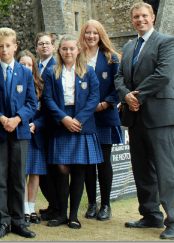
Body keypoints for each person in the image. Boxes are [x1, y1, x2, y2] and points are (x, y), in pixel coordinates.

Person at [113, 2, 174, 240]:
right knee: (142, 169)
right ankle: (150, 214)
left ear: (152, 17)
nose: (140, 19)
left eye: (144, 15)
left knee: (166, 170)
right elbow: (120, 76)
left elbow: (163, 74)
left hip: (159, 116)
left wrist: (137, 97)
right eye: (136, 16)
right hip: (135, 117)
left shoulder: (166, 42)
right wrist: (125, 95)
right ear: (132, 19)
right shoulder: (129, 45)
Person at [0, 27, 38, 239]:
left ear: (15, 47)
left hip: (20, 133)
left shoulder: (25, 73)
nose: (4, 50)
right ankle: (3, 221)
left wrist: (18, 118)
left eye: (8, 46)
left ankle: (19, 221)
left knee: (17, 178)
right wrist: (1, 118)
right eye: (1, 46)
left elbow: (32, 102)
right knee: (0, 179)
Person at [42, 35, 102, 230]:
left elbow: (94, 98)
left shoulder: (89, 71)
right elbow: (48, 99)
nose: (68, 52)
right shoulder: (52, 72)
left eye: (71, 49)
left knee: (79, 170)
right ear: (59, 51)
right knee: (61, 170)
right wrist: (64, 119)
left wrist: (78, 119)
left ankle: (74, 216)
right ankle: (61, 213)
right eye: (64, 49)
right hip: (61, 121)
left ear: (78, 51)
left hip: (82, 121)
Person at [78, 20, 122, 222]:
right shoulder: (78, 57)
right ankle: (92, 203)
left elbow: (118, 86)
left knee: (104, 162)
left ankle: (106, 205)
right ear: (83, 35)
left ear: (101, 35)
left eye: (95, 33)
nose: (91, 36)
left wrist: (105, 104)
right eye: (88, 33)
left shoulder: (111, 58)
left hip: (105, 115)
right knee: (88, 163)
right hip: (86, 118)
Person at [15, 51, 46, 226]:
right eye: (23, 64)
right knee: (23, 173)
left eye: (29, 64)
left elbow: (46, 112)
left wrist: (37, 125)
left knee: (34, 173)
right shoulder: (14, 83)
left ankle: (32, 207)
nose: (26, 67)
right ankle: (23, 208)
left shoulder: (40, 85)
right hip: (20, 134)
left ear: (33, 67)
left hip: (36, 136)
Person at [33, 32, 59, 221]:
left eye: (47, 43)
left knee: (53, 171)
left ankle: (56, 206)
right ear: (36, 48)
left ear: (53, 47)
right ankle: (52, 205)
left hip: (51, 125)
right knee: (43, 171)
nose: (44, 46)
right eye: (40, 44)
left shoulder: (55, 67)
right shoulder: (34, 66)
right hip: (37, 128)